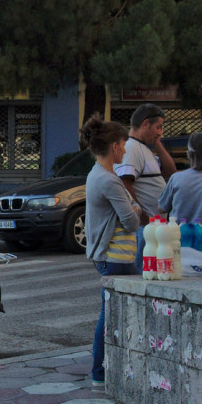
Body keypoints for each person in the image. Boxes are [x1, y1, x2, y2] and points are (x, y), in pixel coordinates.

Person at [82, 115, 141, 385]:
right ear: (115, 146)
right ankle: (100, 374)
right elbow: (130, 220)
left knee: (110, 315)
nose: (126, 149)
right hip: (116, 255)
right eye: (124, 144)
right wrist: (136, 210)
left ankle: (103, 372)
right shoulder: (109, 180)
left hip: (108, 255)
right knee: (111, 317)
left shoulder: (98, 174)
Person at [115, 103, 177, 267]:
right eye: (158, 126)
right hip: (145, 229)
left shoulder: (144, 148)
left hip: (154, 228)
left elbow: (171, 174)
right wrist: (142, 218)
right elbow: (125, 184)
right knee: (143, 274)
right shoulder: (131, 147)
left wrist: (158, 144)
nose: (160, 131)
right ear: (145, 124)